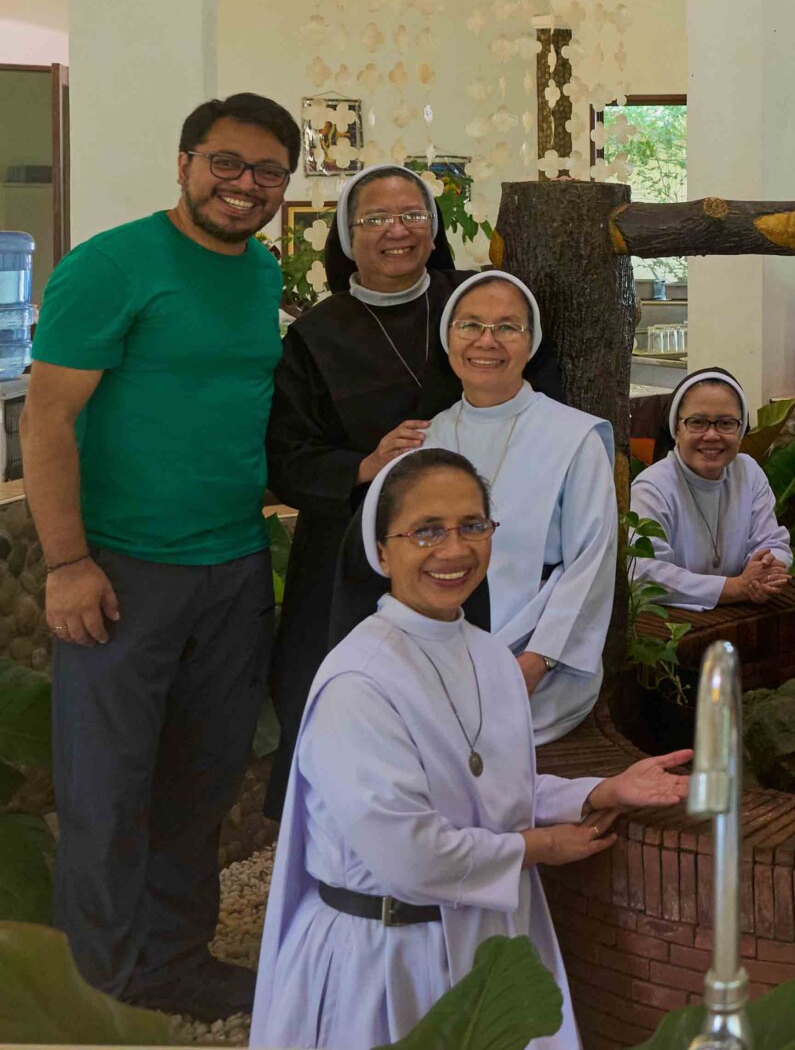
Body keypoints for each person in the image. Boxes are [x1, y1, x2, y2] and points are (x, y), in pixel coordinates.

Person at [252, 449, 691, 1050]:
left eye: (472, 525)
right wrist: (541, 848)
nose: (454, 549)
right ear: (381, 551)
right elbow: (409, 856)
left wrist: (599, 791)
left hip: (477, 944)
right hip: (382, 962)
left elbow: (484, 789)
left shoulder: (490, 657)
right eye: (426, 530)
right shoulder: (358, 682)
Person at [22, 94, 299, 1018]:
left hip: (235, 566)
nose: (245, 185)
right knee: (106, 793)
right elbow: (47, 416)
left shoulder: (262, 275)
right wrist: (67, 563)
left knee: (200, 784)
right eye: (227, 163)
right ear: (185, 164)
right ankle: (98, 997)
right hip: (120, 571)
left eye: (267, 172)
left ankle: (176, 963)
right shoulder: (111, 265)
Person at [264, 164, 561, 817]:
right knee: (347, 707)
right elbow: (288, 459)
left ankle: (464, 836)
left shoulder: (477, 301)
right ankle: (346, 839)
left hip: (472, 543)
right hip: (352, 552)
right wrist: (364, 465)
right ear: (348, 236)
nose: (396, 231)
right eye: (375, 219)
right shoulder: (315, 336)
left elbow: (542, 389)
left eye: (411, 216)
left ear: (433, 228)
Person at [401, 271, 616, 745]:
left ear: (531, 342)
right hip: (434, 656)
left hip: (539, 665)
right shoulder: (425, 439)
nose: (487, 341)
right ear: (448, 337)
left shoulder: (574, 437)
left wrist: (536, 661)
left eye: (507, 327)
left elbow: (592, 562)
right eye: (470, 325)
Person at [629, 368, 793, 609]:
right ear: (676, 430)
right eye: (697, 422)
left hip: (739, 615)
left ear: (740, 431)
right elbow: (644, 573)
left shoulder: (748, 473)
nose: (712, 435)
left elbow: (773, 543)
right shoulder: (652, 488)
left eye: (726, 423)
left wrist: (765, 571)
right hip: (671, 624)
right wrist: (735, 587)